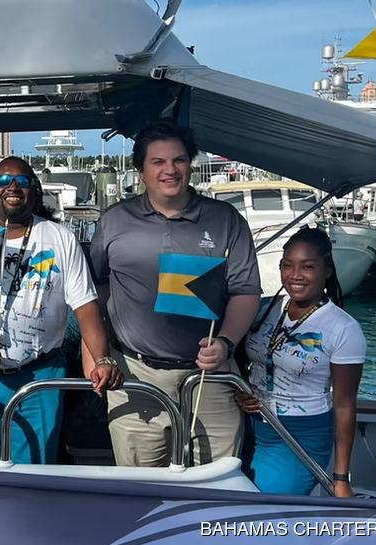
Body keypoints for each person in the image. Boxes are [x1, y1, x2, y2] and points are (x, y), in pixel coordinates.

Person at [0, 157, 123, 464]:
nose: (13, 187)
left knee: (32, 471)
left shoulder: (61, 238)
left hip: (40, 376)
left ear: (35, 189)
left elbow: (86, 307)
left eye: (22, 181)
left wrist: (103, 358)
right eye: (3, 181)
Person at [88, 121, 262, 467]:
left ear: (190, 164)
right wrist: (96, 357)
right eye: (158, 162)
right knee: (142, 492)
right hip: (136, 375)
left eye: (179, 160)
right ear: (141, 171)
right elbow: (92, 292)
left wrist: (225, 343)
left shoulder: (225, 220)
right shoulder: (113, 221)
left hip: (210, 378)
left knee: (215, 486)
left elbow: (245, 290)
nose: (170, 170)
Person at [236, 228, 365, 497]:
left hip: (299, 434)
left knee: (269, 513)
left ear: (327, 270)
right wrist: (238, 391)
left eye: (307, 267)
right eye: (287, 266)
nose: (295, 275)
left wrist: (340, 478)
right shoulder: (264, 308)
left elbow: (344, 406)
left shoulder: (343, 328)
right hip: (250, 425)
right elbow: (237, 357)